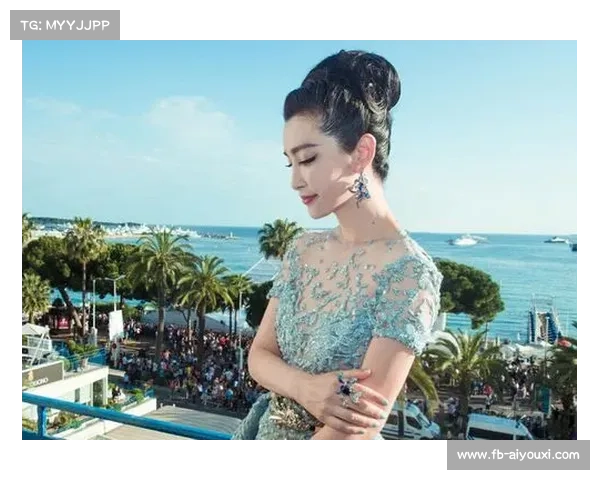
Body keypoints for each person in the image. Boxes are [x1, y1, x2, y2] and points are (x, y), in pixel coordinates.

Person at [231, 50, 443, 440]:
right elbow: (259, 357)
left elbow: (355, 428)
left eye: (308, 159)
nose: (295, 180)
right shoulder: (301, 249)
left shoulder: (409, 274)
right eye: (290, 163)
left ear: (361, 153)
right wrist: (307, 388)